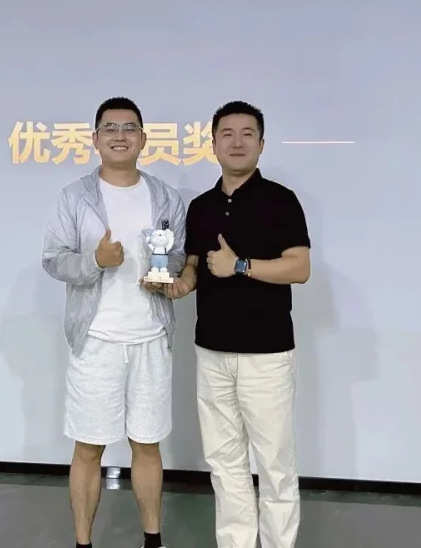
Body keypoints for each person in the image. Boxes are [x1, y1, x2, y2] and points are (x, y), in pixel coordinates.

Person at [162, 100, 311, 548]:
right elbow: (194, 263)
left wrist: (240, 265)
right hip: (211, 350)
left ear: (262, 144)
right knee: (224, 462)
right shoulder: (201, 206)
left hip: (267, 354)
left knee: (275, 464)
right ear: (213, 144)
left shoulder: (281, 200)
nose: (237, 142)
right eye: (227, 134)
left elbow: (299, 267)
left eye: (248, 134)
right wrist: (181, 283)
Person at [41, 96, 186, 548]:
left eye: (129, 128)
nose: (120, 135)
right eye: (110, 128)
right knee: (89, 447)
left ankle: (153, 539)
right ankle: (83, 542)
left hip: (150, 337)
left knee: (147, 445)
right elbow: (53, 259)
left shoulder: (165, 196)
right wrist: (96, 260)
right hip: (97, 340)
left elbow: (178, 254)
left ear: (143, 138)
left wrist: (166, 273)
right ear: (95, 139)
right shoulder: (75, 196)